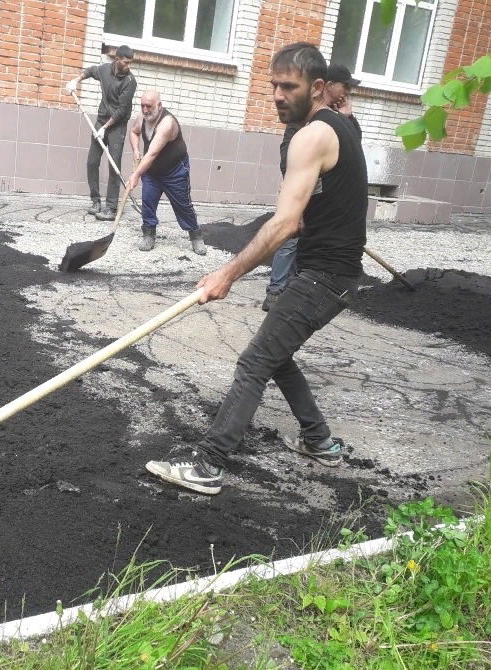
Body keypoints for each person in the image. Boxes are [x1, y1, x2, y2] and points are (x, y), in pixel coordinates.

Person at [145, 43, 368, 495]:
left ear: (319, 87)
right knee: (276, 354)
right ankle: (319, 440)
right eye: (274, 86)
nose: (279, 95)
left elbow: (286, 223)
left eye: (290, 86)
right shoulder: (332, 129)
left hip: (325, 276)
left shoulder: (314, 136)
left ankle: (208, 465)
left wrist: (226, 273)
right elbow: (301, 219)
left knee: (255, 362)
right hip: (333, 273)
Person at [263, 63, 361, 311]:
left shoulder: (338, 118)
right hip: (302, 188)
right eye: (345, 86)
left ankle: (298, 286)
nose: (347, 92)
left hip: (325, 196)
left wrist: (349, 118)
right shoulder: (304, 118)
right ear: (326, 86)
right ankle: (275, 291)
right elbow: (290, 154)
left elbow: (352, 148)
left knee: (304, 239)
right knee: (288, 235)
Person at [126, 90, 207, 256]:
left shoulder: (167, 123)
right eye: (142, 106)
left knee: (183, 205)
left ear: (159, 106)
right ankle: (148, 234)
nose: (145, 110)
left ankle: (195, 235)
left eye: (149, 106)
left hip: (175, 171)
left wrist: (135, 175)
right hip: (152, 170)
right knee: (147, 201)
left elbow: (153, 153)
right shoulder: (142, 117)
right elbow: (134, 132)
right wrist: (135, 150)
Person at [66, 46, 138, 221]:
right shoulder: (105, 70)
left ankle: (111, 208)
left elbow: (121, 111)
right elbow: (91, 71)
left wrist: (105, 128)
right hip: (101, 120)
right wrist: (76, 80)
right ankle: (95, 201)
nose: (128, 66)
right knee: (92, 162)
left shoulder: (130, 81)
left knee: (114, 166)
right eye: (126, 62)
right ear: (117, 60)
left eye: (130, 62)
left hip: (117, 126)